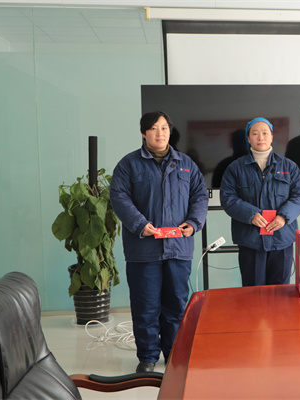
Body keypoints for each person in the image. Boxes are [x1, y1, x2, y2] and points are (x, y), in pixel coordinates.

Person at [110, 111, 208, 373]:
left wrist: (193, 222)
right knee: (146, 305)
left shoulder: (187, 164)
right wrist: (140, 224)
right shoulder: (128, 164)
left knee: (176, 304)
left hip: (178, 247)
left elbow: (200, 196)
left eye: (164, 128)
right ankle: (148, 357)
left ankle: (174, 353)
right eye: (154, 128)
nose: (160, 133)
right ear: (144, 133)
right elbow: (119, 197)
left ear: (170, 131)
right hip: (144, 248)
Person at [220, 117, 300, 286]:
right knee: (253, 292)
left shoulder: (289, 167)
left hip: (281, 238)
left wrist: (283, 217)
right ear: (248, 138)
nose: (261, 137)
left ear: (272, 137)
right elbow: (227, 198)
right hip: (250, 240)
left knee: (280, 291)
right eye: (255, 133)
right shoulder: (235, 168)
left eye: (265, 133)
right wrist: (250, 214)